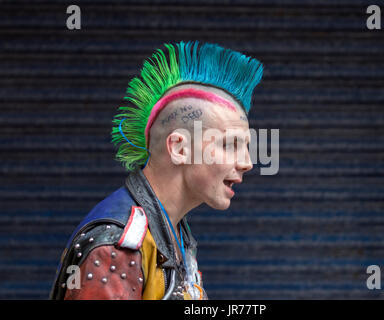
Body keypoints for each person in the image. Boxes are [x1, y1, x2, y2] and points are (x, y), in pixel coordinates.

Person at [49, 40, 264, 300]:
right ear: (179, 148)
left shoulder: (174, 232)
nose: (247, 162)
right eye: (230, 144)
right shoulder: (119, 247)